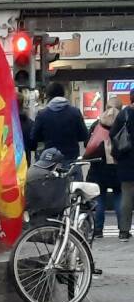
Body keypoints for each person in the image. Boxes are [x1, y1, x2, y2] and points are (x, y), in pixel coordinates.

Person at [85, 100, 121, 238]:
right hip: (118, 167)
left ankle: (97, 230)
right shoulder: (124, 122)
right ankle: (123, 230)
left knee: (99, 198)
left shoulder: (97, 124)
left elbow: (87, 143)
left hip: (98, 167)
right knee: (119, 196)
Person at [31, 82, 89, 162]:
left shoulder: (42, 114)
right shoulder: (75, 112)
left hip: (49, 160)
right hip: (71, 158)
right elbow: (84, 135)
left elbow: (34, 137)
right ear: (63, 94)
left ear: (48, 96)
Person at [109, 90, 134, 242]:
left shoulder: (124, 114)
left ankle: (124, 230)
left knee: (127, 195)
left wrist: (117, 155)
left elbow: (113, 135)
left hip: (127, 159)